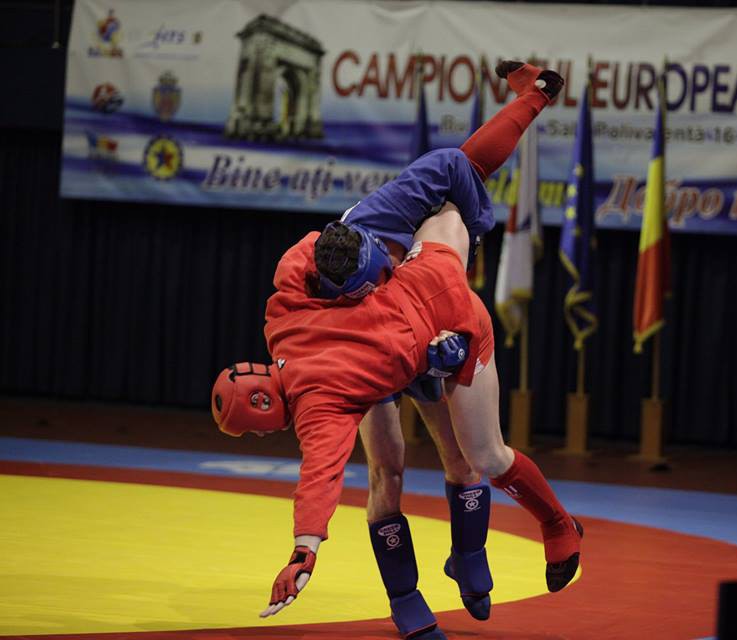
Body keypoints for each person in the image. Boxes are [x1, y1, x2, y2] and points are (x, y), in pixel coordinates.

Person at [211, 62, 582, 639]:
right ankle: (407, 595)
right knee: (388, 470)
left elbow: (455, 165)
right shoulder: (325, 388)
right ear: (340, 291)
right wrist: (305, 546)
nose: (378, 278)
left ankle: (477, 552)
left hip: (436, 331)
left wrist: (305, 550)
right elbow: (320, 473)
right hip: (410, 348)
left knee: (471, 456)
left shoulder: (342, 245)